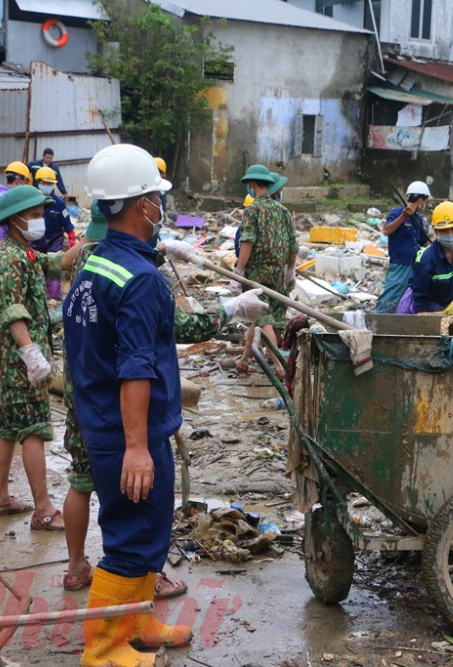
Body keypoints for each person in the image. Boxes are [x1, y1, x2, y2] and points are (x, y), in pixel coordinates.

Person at [64, 144, 269, 665]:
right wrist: (137, 447)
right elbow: (135, 366)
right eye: (157, 197)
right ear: (139, 205)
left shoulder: (98, 265)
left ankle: (137, 622)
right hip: (127, 433)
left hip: (106, 423)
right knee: (132, 537)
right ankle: (105, 647)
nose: (162, 205)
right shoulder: (140, 280)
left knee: (149, 529)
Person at [0, 185, 65, 531]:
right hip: (19, 364)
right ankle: (43, 509)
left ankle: (0, 499)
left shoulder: (25, 253)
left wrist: (95, 245)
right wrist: (31, 353)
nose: (39, 220)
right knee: (34, 430)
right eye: (33, 215)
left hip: (7, 362)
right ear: (15, 220)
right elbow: (13, 311)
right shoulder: (9, 259)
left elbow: (56, 261)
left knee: (5, 428)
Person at [234, 165, 297, 377]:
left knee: (263, 317)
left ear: (251, 185)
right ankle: (244, 360)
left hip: (258, 276)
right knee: (269, 317)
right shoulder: (284, 211)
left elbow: (248, 242)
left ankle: (280, 366)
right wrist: (290, 271)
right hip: (279, 274)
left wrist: (239, 271)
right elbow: (292, 245)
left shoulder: (252, 211)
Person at [396, 201, 453, 315]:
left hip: (448, 305)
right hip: (422, 306)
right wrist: (425, 320)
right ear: (436, 231)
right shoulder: (426, 259)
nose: (450, 233)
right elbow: (420, 298)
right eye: (444, 230)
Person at [373, 181, 431, 313]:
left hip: (414, 265)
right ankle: (380, 319)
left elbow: (424, 241)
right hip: (400, 264)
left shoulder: (418, 219)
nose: (424, 205)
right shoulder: (397, 213)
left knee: (409, 298)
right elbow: (387, 231)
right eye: (424, 201)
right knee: (392, 295)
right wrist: (403, 217)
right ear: (421, 200)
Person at [31, 166, 75, 300]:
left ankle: (54, 299)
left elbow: (66, 222)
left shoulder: (59, 204)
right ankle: (34, 297)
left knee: (54, 270)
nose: (46, 186)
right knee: (34, 270)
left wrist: (71, 237)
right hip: (35, 241)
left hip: (54, 241)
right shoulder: (31, 201)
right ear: (38, 182)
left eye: (49, 183)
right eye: (44, 183)